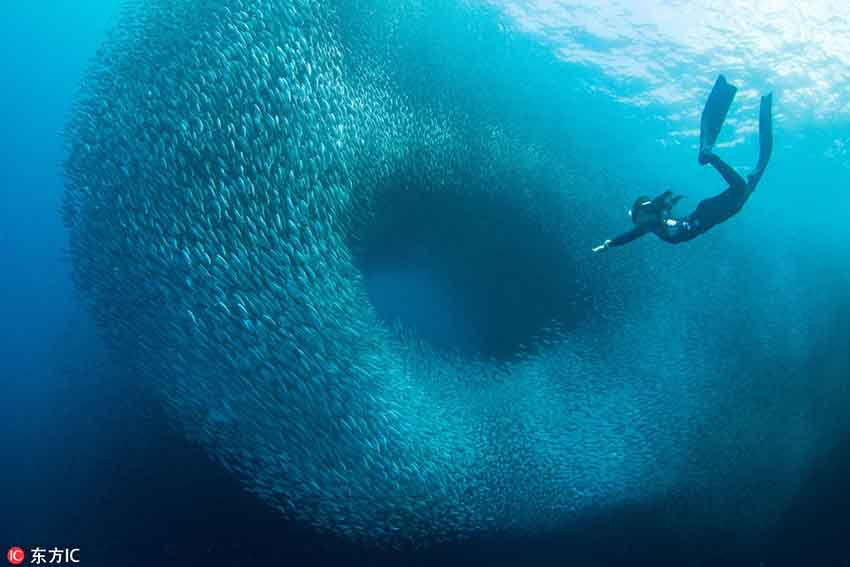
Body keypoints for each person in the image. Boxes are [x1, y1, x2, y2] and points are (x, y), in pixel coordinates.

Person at [593, 75, 773, 251]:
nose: (643, 216)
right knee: (743, 190)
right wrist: (610, 243)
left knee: (741, 188)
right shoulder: (651, 225)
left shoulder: (654, 221)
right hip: (708, 214)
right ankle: (708, 156)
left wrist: (609, 243)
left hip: (707, 213)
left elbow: (635, 229)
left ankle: (708, 155)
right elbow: (629, 236)